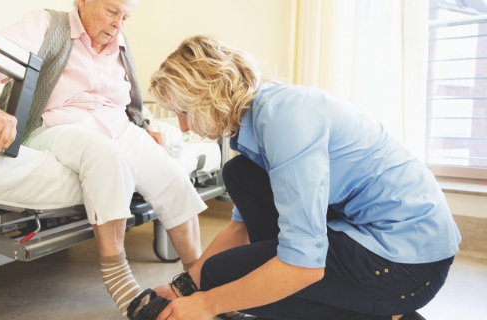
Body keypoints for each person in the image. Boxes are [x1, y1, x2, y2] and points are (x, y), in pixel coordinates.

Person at [145, 35, 461, 320]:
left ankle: (382, 313)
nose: (182, 127)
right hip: (375, 236)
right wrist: (180, 288)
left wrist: (208, 303)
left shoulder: (285, 122)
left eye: (183, 111)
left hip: (407, 264)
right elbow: (237, 229)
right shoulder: (263, 117)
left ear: (210, 94)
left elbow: (303, 265)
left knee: (220, 277)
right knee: (238, 174)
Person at [0, 1, 207, 317]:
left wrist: (145, 127)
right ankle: (122, 285)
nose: (118, 24)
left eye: (125, 17)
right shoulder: (48, 25)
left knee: (172, 176)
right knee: (107, 157)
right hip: (57, 125)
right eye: (111, 12)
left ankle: (200, 280)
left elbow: (127, 100)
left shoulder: (120, 43)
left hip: (119, 126)